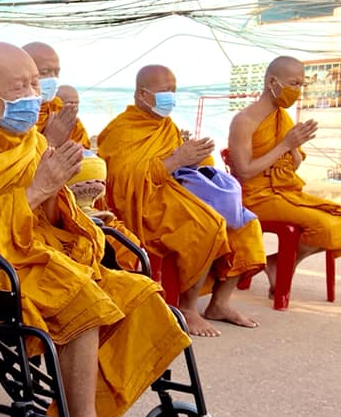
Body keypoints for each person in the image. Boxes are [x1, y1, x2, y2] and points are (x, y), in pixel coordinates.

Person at [0, 42, 190, 417]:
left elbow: (51, 210)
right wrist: (37, 189)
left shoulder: (28, 139)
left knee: (138, 294)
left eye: (35, 84)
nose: (32, 96)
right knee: (82, 299)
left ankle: (96, 416)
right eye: (19, 88)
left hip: (38, 252)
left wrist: (56, 188)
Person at [97, 65, 265, 336]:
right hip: (144, 206)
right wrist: (176, 159)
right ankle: (188, 307)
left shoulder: (167, 126)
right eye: (165, 90)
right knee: (207, 225)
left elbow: (179, 170)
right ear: (142, 94)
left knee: (247, 223)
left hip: (174, 193)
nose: (171, 97)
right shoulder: (121, 130)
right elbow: (119, 181)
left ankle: (219, 304)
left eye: (174, 90)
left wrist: (193, 158)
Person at [227, 55, 341, 287]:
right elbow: (245, 172)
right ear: (272, 82)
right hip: (255, 197)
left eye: (301, 84)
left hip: (283, 193)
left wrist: (295, 149)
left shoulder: (283, 118)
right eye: (293, 84)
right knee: (326, 225)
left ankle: (279, 263)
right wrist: (286, 145)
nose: (298, 91)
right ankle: (279, 265)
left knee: (337, 218)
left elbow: (292, 166)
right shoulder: (244, 120)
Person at [22, 42, 90, 148]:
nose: (53, 79)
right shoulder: (7, 112)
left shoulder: (59, 110)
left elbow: (82, 151)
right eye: (44, 72)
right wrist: (50, 141)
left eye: (56, 73)